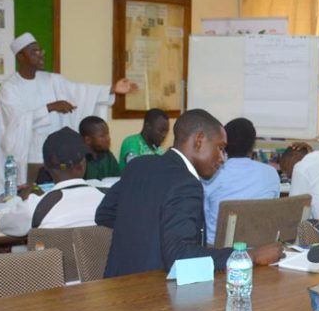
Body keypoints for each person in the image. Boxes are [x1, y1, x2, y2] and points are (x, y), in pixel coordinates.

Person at [97, 109, 282, 277]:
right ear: (199, 141)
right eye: (220, 148)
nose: (222, 159)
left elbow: (104, 213)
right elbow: (180, 256)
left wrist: (155, 234)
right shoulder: (186, 184)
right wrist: (249, 255)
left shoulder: (139, 165)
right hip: (153, 292)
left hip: (115, 287)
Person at [0, 32, 137, 184]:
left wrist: (112, 89)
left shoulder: (52, 80)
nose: (41, 55)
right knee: (31, 195)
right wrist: (50, 107)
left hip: (57, 160)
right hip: (29, 158)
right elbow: (16, 120)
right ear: (21, 57)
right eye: (34, 52)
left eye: (40, 50)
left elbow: (80, 92)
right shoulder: (9, 87)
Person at [0, 127, 106, 237]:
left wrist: (17, 200)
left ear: (46, 167)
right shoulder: (107, 198)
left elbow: (2, 224)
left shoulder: (36, 206)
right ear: (82, 165)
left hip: (52, 249)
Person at [202, 117, 280, 245]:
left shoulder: (210, 174)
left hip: (217, 249)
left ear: (224, 144)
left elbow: (203, 217)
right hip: (259, 248)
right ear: (253, 145)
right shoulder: (271, 173)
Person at [79, 116, 120, 180]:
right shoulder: (79, 161)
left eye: (108, 134)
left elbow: (117, 178)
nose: (108, 139)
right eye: (102, 136)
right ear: (88, 140)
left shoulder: (109, 157)